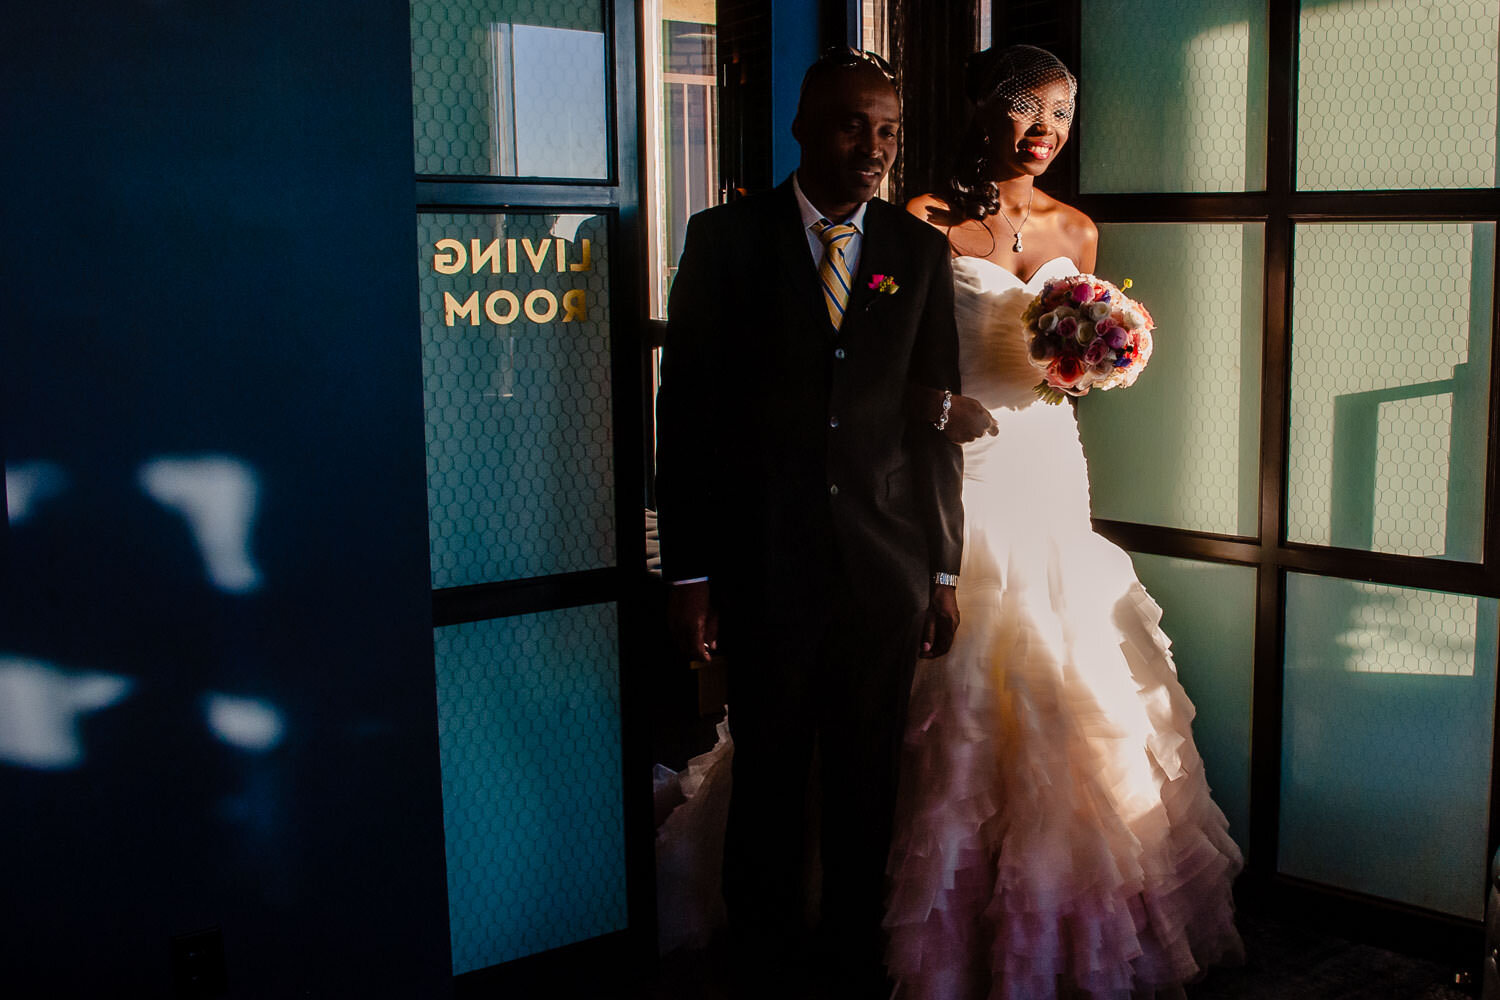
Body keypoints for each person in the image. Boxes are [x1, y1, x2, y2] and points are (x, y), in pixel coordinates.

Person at [883, 45, 1245, 999]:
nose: (1045, 132)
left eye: (1061, 114)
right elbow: (886, 363)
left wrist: (1101, 357)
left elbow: (1064, 366)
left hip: (1046, 464)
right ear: (978, 110)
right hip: (955, 463)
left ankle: (1063, 916)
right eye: (1025, 110)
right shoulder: (920, 218)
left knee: (1065, 663)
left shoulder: (1077, 232)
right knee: (949, 670)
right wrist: (932, 409)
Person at [654, 49, 965, 996]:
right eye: (850, 125)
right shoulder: (724, 240)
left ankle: (850, 959)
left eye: (886, 132)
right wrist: (691, 572)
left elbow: (934, 412)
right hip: (762, 562)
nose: (871, 148)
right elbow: (689, 413)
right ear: (800, 125)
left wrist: (943, 568)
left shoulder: (919, 253)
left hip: (884, 564)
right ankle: (762, 959)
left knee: (870, 778)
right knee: (771, 776)